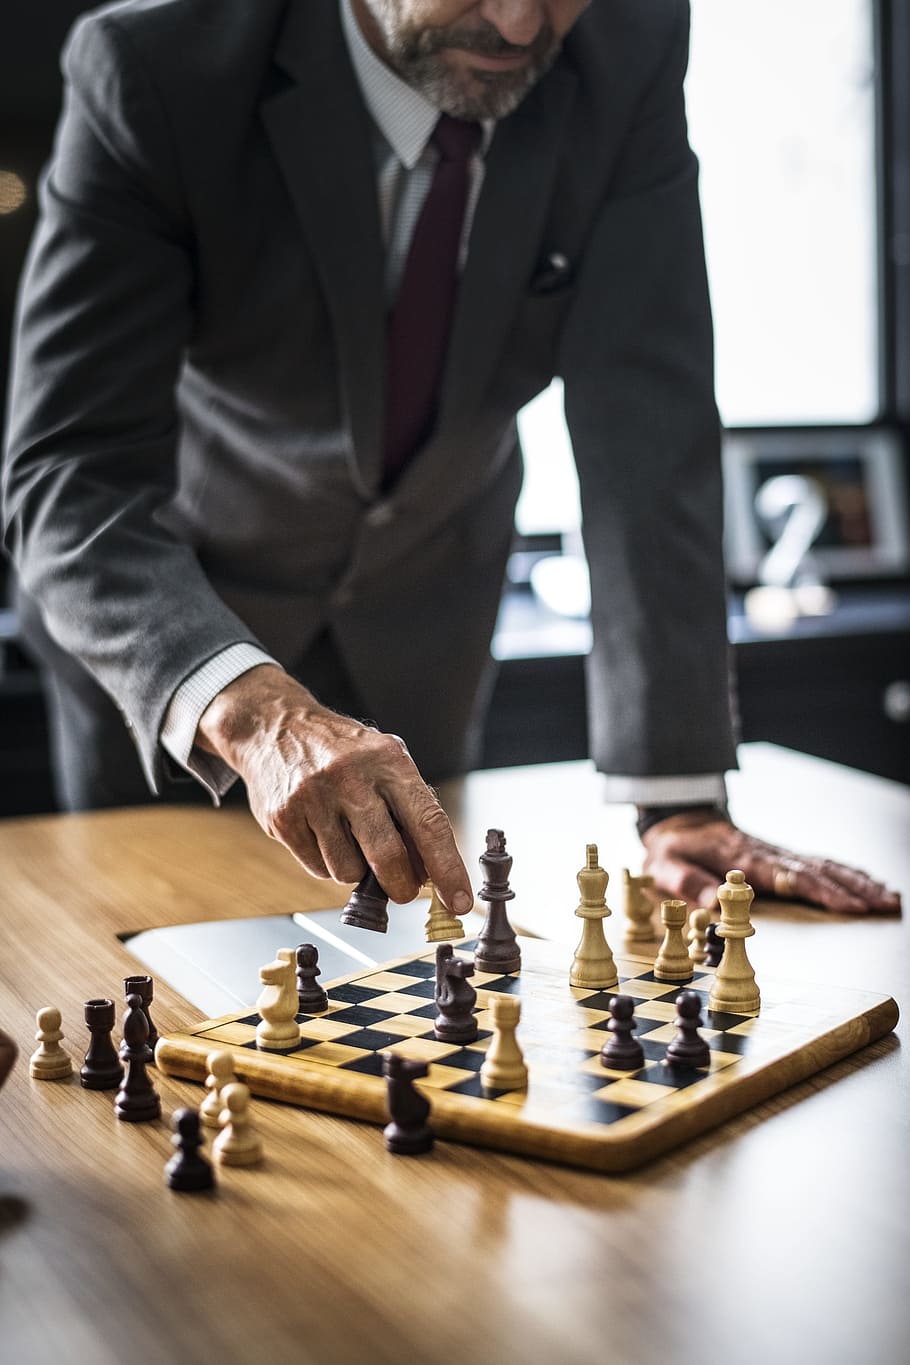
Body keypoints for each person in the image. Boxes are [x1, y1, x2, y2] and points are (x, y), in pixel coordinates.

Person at [2, 0, 899, 917]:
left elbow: (649, 430)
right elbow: (68, 473)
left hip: (422, 619)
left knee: (410, 998)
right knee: (162, 984)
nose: (517, 27)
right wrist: (255, 709)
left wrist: (676, 798)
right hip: (181, 637)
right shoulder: (156, 68)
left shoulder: (629, 46)